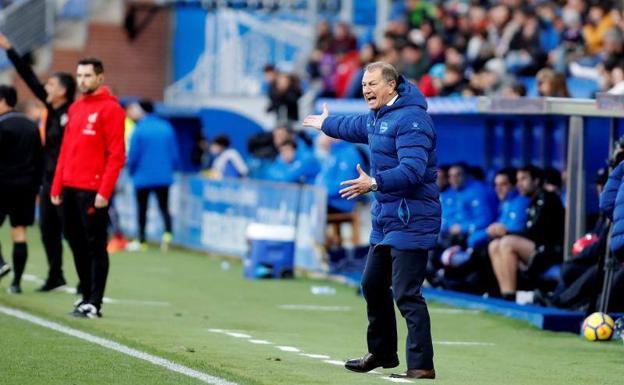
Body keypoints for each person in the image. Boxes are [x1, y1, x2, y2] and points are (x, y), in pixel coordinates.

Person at [303, 61, 439, 379]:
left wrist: (374, 183)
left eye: (373, 84)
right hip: (387, 219)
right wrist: (326, 124)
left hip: (412, 218)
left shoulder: (412, 120)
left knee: (407, 292)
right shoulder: (379, 117)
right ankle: (382, 353)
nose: (366, 90)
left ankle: (421, 366)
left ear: (391, 85)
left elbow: (413, 171)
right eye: (364, 85)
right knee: (372, 285)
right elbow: (354, 126)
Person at [0, 32, 76, 291]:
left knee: (74, 233)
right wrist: (10, 49)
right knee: (47, 230)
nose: (46, 88)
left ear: (64, 90)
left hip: (68, 179)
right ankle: (56, 275)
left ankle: (86, 285)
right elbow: (28, 77)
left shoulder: (74, 113)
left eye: (51, 85)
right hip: (47, 179)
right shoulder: (51, 109)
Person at [51, 58, 125, 318]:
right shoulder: (75, 108)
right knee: (74, 241)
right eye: (79, 75)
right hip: (69, 188)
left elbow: (117, 155)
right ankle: (85, 296)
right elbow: (65, 150)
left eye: (87, 76)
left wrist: (104, 192)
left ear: (100, 78)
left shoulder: (111, 110)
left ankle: (95, 301)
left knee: (95, 246)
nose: (82, 80)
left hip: (93, 191)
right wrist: (57, 183)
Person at [488, 165, 565, 300]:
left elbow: (535, 233)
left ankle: (511, 296)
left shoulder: (547, 198)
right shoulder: (533, 200)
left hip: (550, 252)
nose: (519, 184)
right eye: (518, 180)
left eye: (523, 179)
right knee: (494, 245)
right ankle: (505, 293)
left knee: (507, 242)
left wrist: (506, 232)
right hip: (537, 248)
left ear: (536, 181)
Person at [0, 85, 43, 293]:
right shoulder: (31, 126)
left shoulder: (2, 125)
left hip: (2, 185)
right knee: (19, 233)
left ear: (3, 100)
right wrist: (36, 186)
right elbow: (39, 159)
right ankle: (16, 283)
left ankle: (0, 264)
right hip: (26, 187)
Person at [126, 99, 180, 252]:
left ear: (142, 111)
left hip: (142, 178)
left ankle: (142, 241)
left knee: (142, 209)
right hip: (164, 177)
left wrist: (131, 170)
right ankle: (168, 236)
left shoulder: (139, 129)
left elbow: (133, 155)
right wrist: (171, 169)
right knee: (164, 207)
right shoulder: (166, 127)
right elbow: (174, 154)